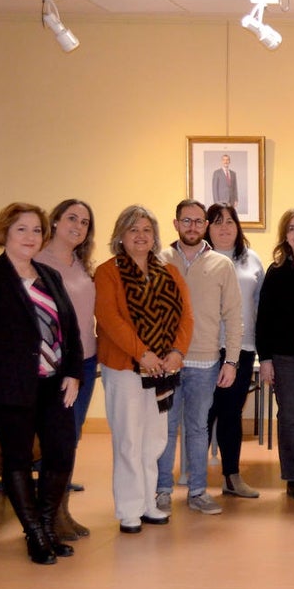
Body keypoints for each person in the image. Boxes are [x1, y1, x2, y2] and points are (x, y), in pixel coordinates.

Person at [0, 202, 83, 564]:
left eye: (36, 230)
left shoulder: (49, 276)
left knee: (61, 452)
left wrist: (73, 371)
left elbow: (70, 330)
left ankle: (45, 524)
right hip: (10, 387)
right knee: (18, 458)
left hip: (54, 384)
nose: (31, 237)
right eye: (22, 229)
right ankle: (34, 534)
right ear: (5, 233)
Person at [94, 205, 193, 534]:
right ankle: (129, 508)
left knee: (154, 440)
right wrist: (143, 353)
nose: (140, 235)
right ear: (120, 236)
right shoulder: (108, 272)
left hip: (162, 370)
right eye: (133, 229)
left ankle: (149, 502)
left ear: (155, 236)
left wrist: (177, 352)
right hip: (125, 369)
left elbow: (186, 317)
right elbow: (110, 319)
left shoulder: (169, 271)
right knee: (128, 440)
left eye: (146, 230)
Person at [156, 200, 243, 516]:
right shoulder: (159, 260)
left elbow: (234, 316)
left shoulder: (221, 265)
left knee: (197, 428)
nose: (192, 226)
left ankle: (197, 492)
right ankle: (162, 490)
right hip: (165, 363)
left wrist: (231, 361)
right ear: (176, 223)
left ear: (205, 225)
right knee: (164, 429)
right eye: (186, 220)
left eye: (198, 221)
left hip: (205, 363)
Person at [37, 198, 98, 539]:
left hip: (86, 363)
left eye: (85, 222)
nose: (78, 225)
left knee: (71, 439)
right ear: (56, 221)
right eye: (71, 218)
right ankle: (47, 515)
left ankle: (62, 511)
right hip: (57, 367)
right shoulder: (37, 262)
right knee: (56, 442)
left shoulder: (81, 265)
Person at [204, 203, 265, 499]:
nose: (224, 228)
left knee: (230, 414)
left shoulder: (251, 260)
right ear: (206, 227)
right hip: (203, 349)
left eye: (230, 221)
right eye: (217, 222)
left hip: (241, 348)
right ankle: (195, 480)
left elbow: (261, 308)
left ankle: (232, 478)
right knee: (201, 414)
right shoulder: (197, 259)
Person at [257, 207, 294, 500]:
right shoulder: (277, 271)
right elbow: (264, 319)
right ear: (285, 236)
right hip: (286, 357)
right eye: (291, 228)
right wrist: (265, 358)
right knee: (291, 417)